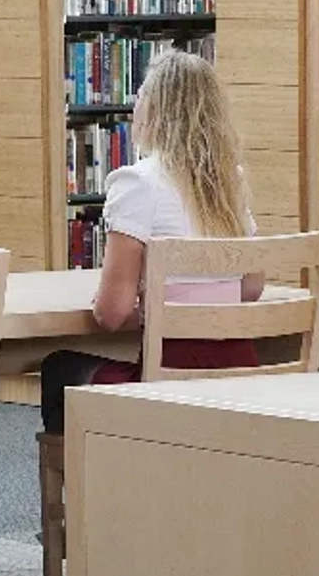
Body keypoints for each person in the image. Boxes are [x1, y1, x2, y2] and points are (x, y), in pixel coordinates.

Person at [37, 49, 264, 436]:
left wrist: (152, 306)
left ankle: (104, 491)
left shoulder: (139, 183)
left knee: (60, 367)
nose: (134, 103)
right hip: (239, 379)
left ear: (156, 110)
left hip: (169, 390)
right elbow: (252, 286)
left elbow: (110, 314)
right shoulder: (231, 181)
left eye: (140, 94)